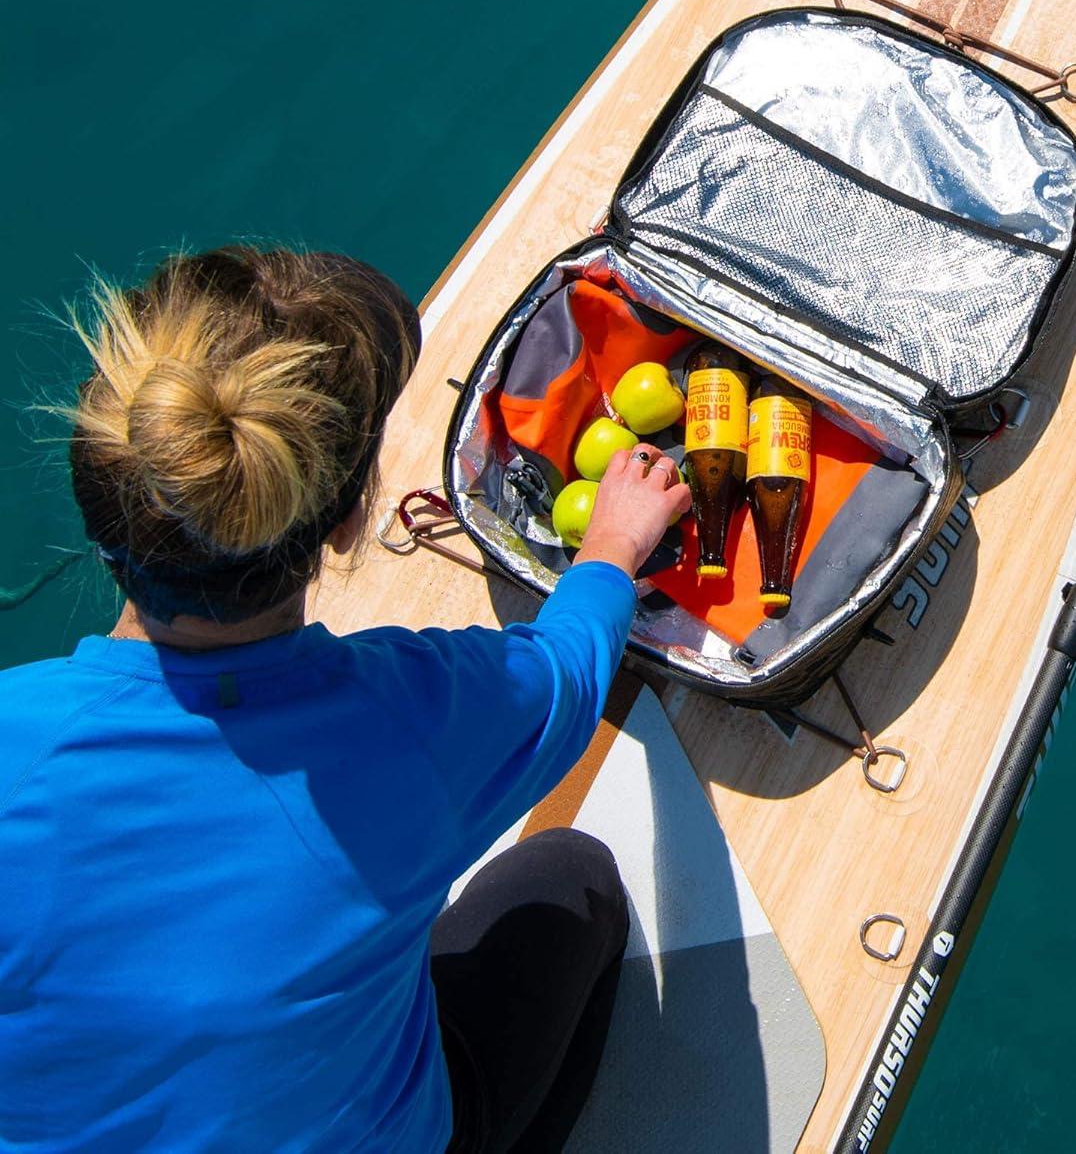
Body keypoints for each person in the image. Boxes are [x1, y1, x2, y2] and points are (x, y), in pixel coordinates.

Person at [0, 246, 691, 1152]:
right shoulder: (413, 721)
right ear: (351, 519)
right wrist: (610, 549)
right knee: (574, 881)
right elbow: (564, 676)